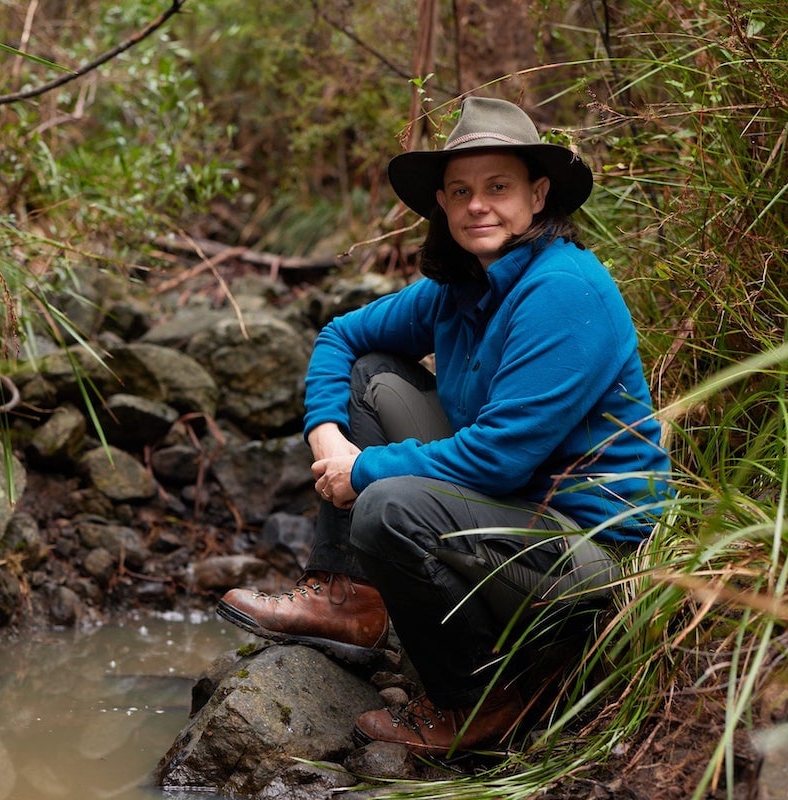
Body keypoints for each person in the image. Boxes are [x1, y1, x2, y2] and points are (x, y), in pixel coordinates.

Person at [216, 96, 671, 756]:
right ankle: (353, 598)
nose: (477, 205)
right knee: (371, 369)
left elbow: (498, 460)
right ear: (443, 205)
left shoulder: (565, 287)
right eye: (461, 191)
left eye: (498, 187)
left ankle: (478, 698)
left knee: (389, 507)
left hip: (589, 553)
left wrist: (362, 471)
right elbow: (340, 335)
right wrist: (327, 435)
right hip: (510, 513)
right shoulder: (460, 286)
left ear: (538, 196)